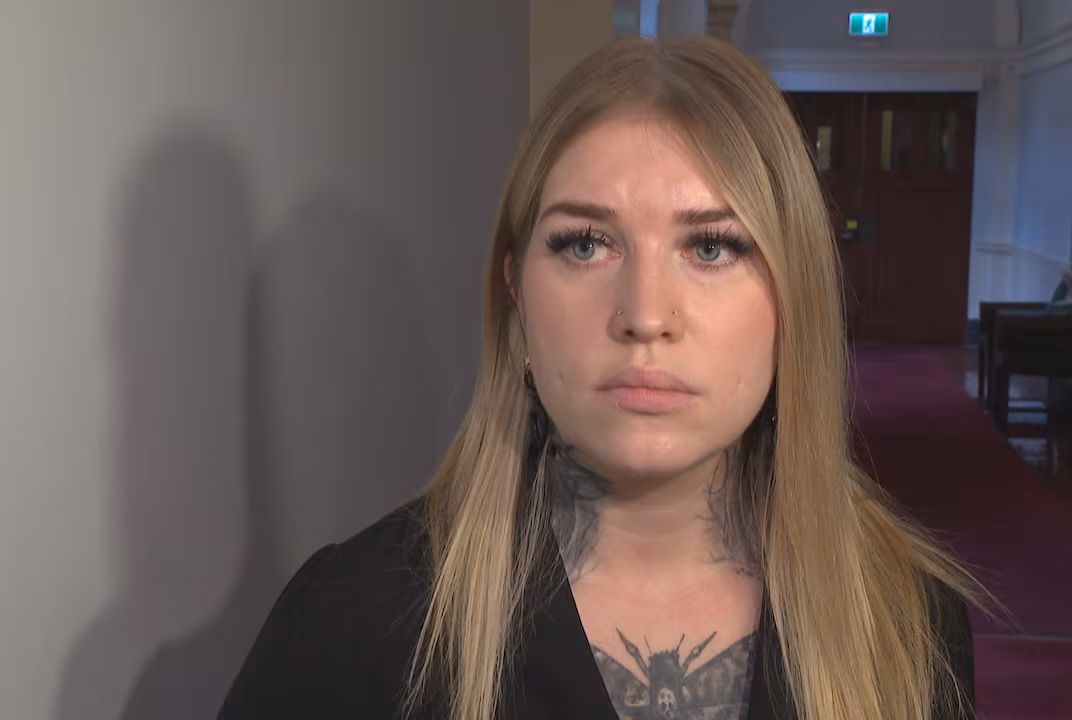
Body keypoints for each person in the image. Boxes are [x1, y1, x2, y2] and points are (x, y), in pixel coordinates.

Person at [219, 36, 978, 720]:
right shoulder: (352, 620)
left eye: (711, 247)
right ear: (514, 292)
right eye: (585, 245)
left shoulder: (907, 617)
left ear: (794, 301)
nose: (645, 314)